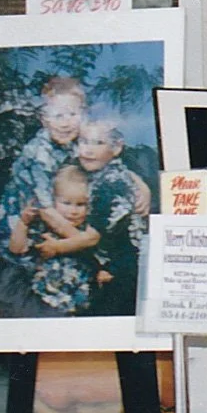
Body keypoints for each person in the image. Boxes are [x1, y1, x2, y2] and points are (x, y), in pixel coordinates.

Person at [0, 76, 86, 316]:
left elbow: (104, 162)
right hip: (21, 238)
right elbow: (47, 212)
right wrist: (86, 244)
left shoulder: (75, 143)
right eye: (58, 116)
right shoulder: (38, 154)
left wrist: (141, 185)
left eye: (72, 114)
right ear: (44, 119)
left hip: (55, 225)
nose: (66, 123)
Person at [74, 115, 152, 314]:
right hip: (113, 264)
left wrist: (54, 247)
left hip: (122, 271)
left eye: (98, 143)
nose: (88, 150)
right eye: (83, 142)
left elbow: (92, 237)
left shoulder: (110, 183)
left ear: (116, 148)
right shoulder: (102, 171)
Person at [8, 163, 100, 314]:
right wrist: (23, 223)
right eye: (66, 203)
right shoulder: (44, 227)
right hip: (43, 297)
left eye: (81, 204)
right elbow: (16, 249)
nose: (73, 211)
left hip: (81, 297)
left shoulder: (87, 230)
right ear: (53, 201)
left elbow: (98, 254)